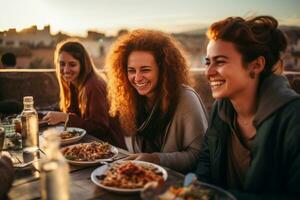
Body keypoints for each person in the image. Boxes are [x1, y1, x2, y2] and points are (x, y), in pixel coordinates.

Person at [195, 16, 300, 199]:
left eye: (219, 62)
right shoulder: (221, 110)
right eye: (207, 62)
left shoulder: (293, 118)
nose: (209, 72)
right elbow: (206, 164)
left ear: (256, 65)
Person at [106, 29, 208, 173]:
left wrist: (156, 159)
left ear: (164, 69)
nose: (137, 78)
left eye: (145, 70)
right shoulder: (134, 99)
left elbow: (199, 156)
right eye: (131, 70)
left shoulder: (186, 98)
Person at [42, 39, 126, 148]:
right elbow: (72, 112)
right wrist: (41, 113)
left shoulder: (94, 85)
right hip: (90, 145)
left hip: (110, 149)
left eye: (72, 64)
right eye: (62, 64)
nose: (66, 70)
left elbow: (99, 127)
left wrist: (66, 117)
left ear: (83, 65)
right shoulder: (73, 82)